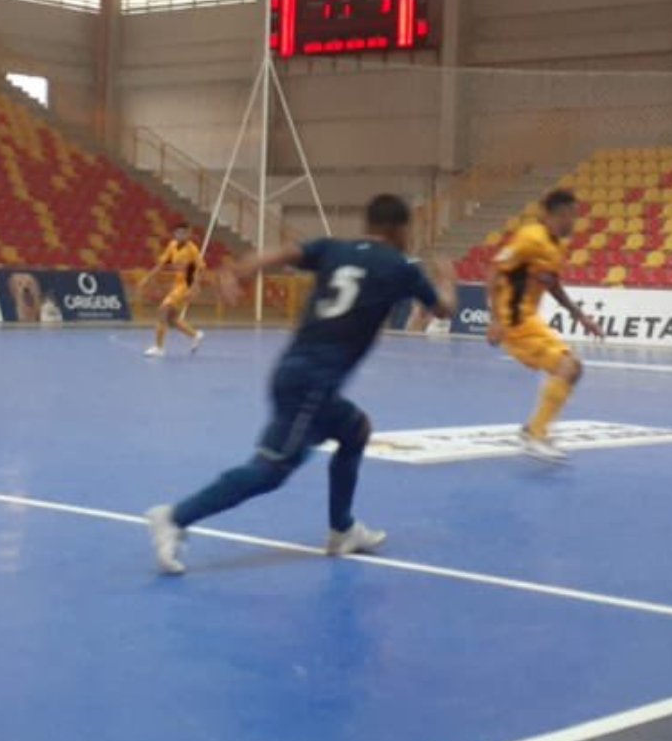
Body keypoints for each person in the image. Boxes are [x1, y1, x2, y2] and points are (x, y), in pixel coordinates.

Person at [144, 195, 446, 576]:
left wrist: (240, 270)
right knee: (271, 470)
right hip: (313, 383)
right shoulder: (401, 267)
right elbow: (444, 309)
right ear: (400, 230)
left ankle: (343, 529)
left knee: (356, 430)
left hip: (293, 370)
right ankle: (174, 518)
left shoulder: (333, 247)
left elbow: (283, 253)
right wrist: (447, 281)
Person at [488, 190, 595, 463]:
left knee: (573, 369)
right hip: (515, 322)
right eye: (565, 216)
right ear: (550, 216)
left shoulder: (558, 245)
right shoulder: (529, 238)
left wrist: (578, 315)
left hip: (529, 320)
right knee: (568, 367)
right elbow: (495, 269)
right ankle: (535, 436)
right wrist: (495, 320)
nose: (571, 221)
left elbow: (551, 282)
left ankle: (533, 431)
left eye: (574, 216)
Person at [140, 225, 206, 358]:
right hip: (176, 285)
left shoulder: (192, 249)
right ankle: (195, 335)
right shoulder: (172, 245)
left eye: (183, 233)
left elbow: (201, 269)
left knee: (163, 310)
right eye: (178, 232)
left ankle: (159, 348)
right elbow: (161, 265)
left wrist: (193, 288)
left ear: (188, 234)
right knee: (172, 319)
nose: (180, 235)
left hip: (185, 286)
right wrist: (147, 278)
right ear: (175, 234)